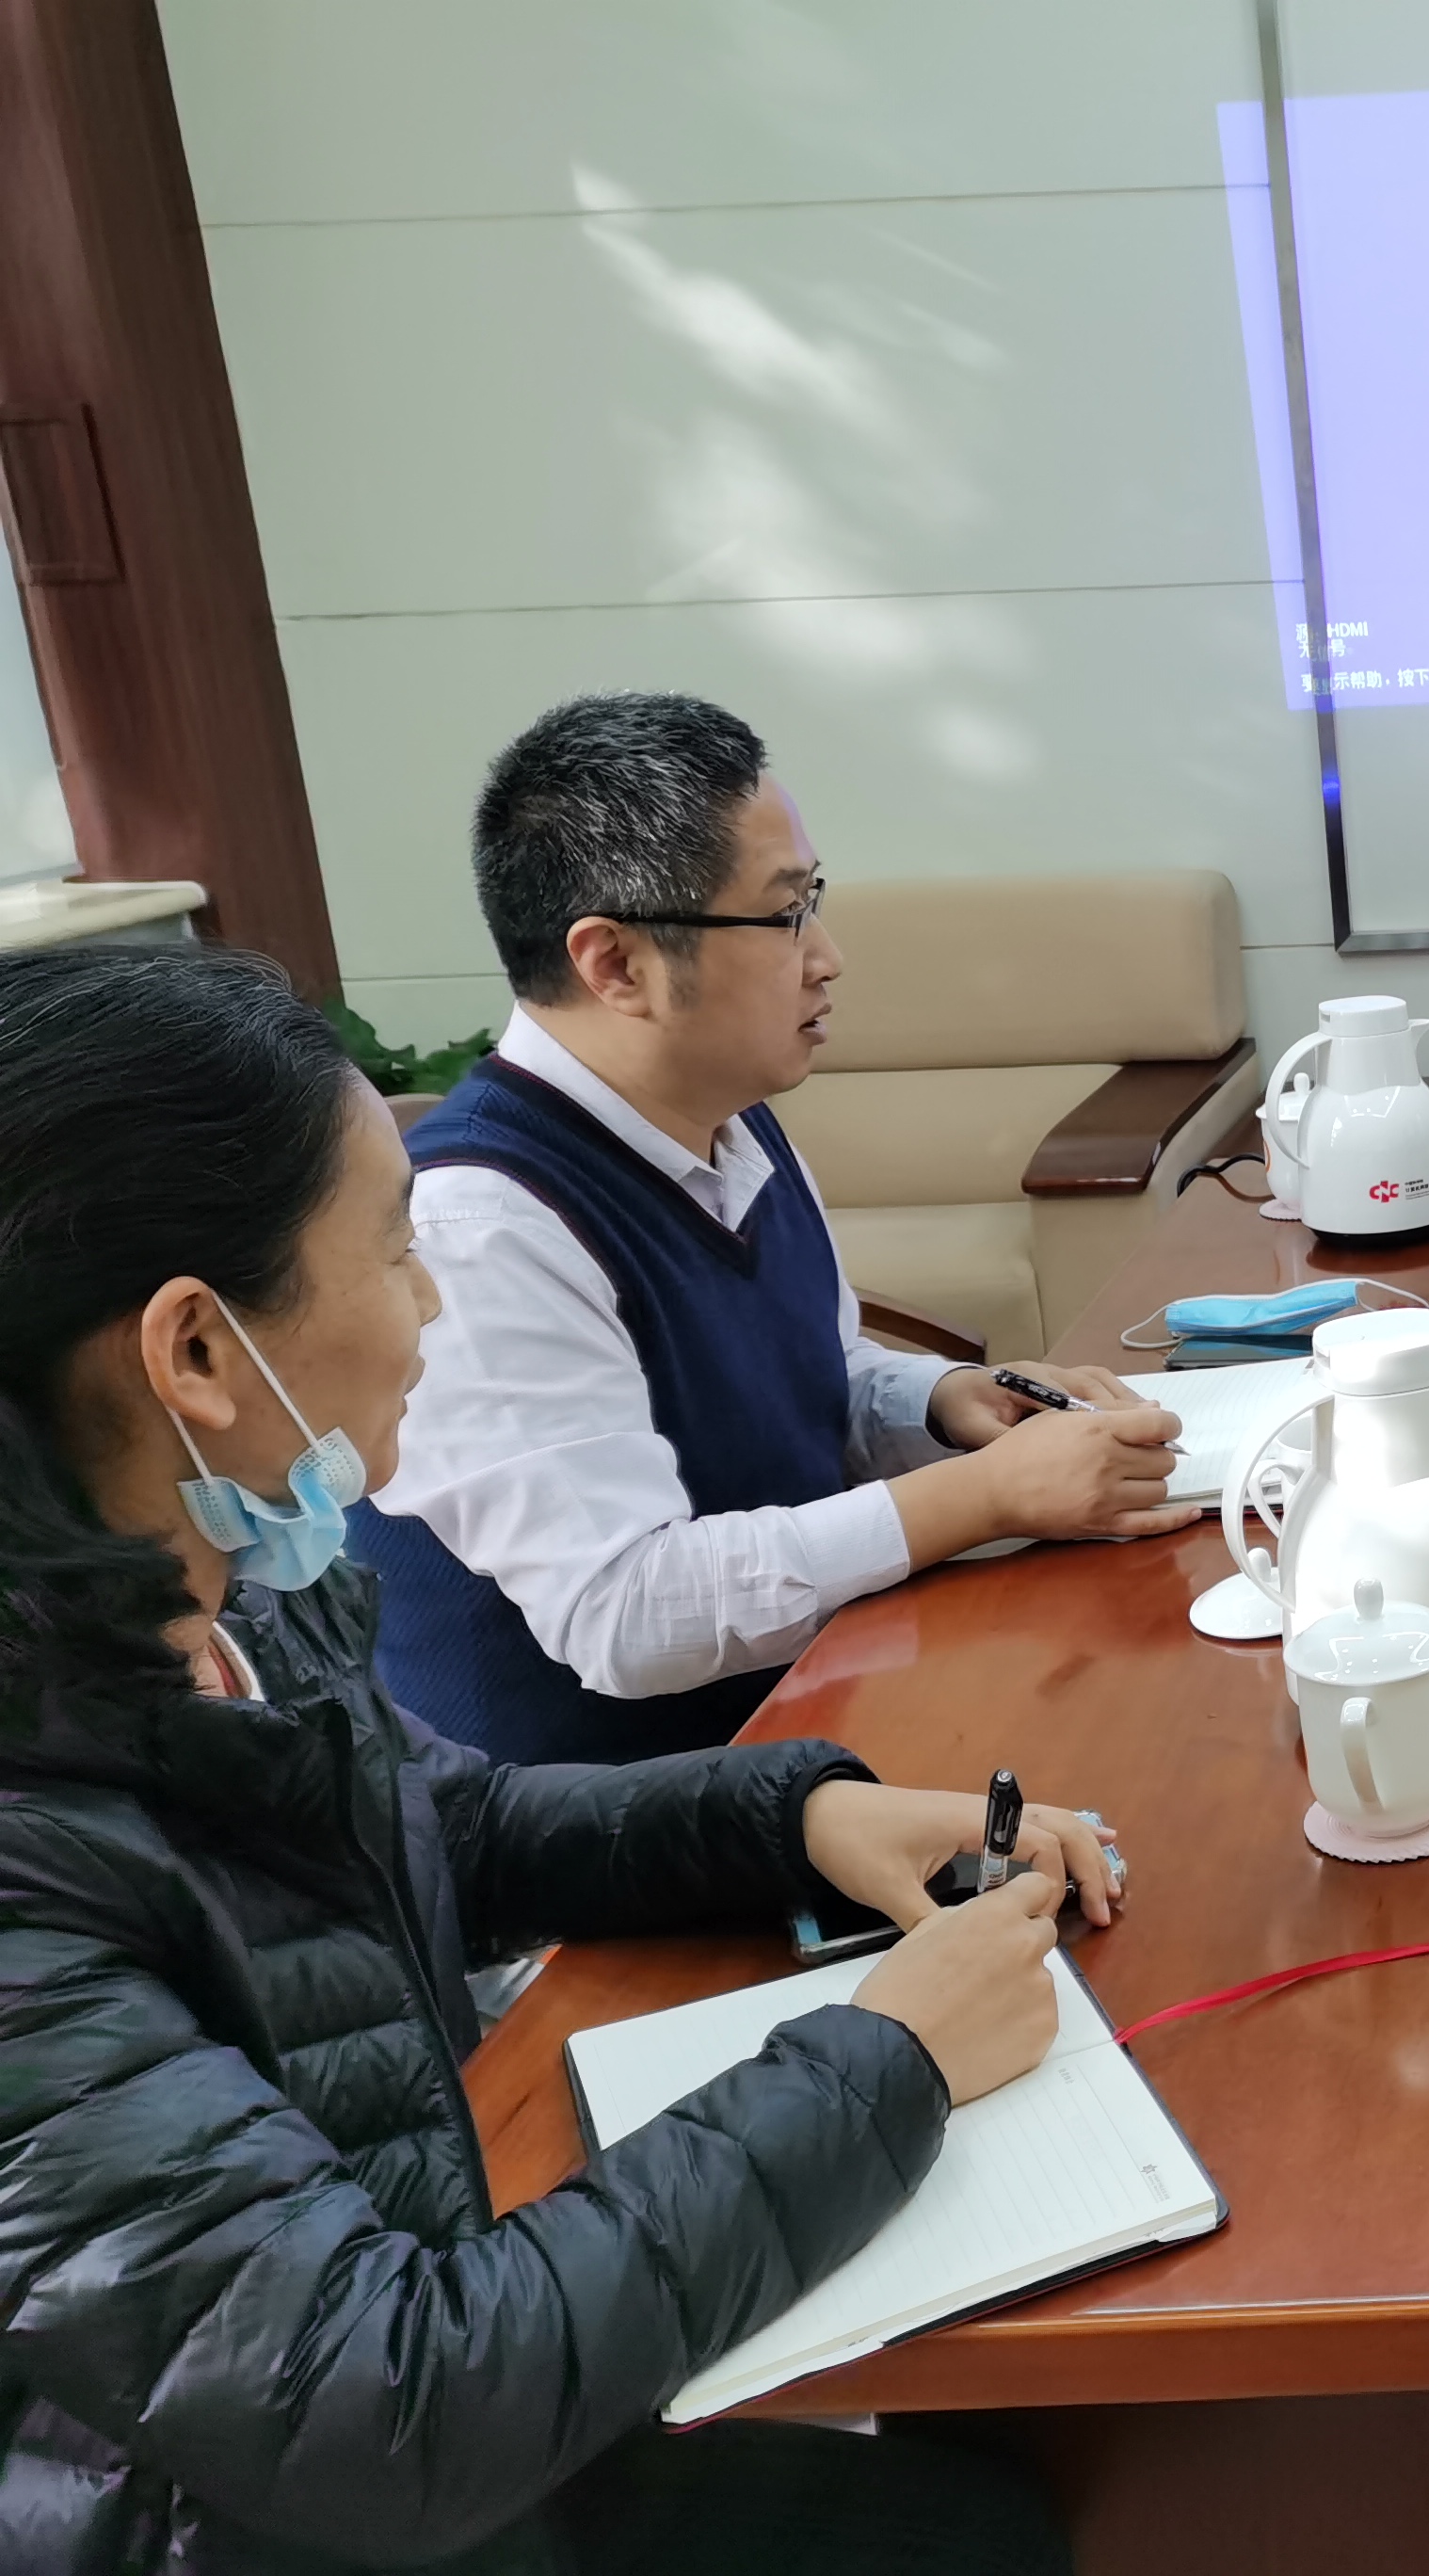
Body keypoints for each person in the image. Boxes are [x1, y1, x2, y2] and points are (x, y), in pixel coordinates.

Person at [0, 943, 1116, 2573]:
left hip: (404, 2344)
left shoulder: (225, 1591)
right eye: (396, 1251)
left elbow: (444, 1824)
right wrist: (891, 2058)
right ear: (196, 1356)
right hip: (269, 2508)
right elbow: (387, 2411)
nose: (430, 1305)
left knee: (992, 2504)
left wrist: (801, 1818)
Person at [353, 693, 1197, 1765]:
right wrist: (982, 1496)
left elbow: (810, 1374)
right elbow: (625, 1614)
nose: (827, 956)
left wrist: (940, 1404)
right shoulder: (482, 1225)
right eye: (785, 915)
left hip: (805, 1721)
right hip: (600, 1821)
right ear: (615, 965)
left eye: (814, 901)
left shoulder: (727, 1114)